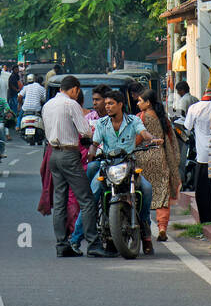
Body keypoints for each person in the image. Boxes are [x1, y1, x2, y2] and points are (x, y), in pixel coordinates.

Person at [43, 75, 107, 257]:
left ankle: (62, 244)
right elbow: (85, 130)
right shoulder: (71, 105)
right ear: (74, 90)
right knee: (86, 200)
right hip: (69, 154)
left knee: (60, 201)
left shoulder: (48, 105)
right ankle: (93, 243)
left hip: (53, 154)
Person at [90, 85, 157, 254]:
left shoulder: (134, 121)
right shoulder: (101, 123)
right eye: (106, 104)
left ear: (120, 105)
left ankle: (145, 227)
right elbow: (95, 143)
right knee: (93, 192)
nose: (107, 107)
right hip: (108, 166)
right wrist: (91, 152)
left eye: (111, 103)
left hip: (128, 165)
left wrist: (153, 139)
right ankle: (91, 234)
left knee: (147, 189)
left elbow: (144, 133)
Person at [135, 87, 182, 242]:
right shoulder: (163, 118)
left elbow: (136, 140)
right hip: (160, 157)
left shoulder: (140, 118)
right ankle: (162, 227)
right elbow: (172, 141)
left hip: (142, 159)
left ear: (148, 103)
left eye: (140, 101)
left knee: (142, 193)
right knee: (163, 194)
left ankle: (144, 227)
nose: (137, 103)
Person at [184, 88, 211, 224]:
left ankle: (208, 218)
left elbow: (187, 127)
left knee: (205, 189)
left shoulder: (195, 108)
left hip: (204, 155)